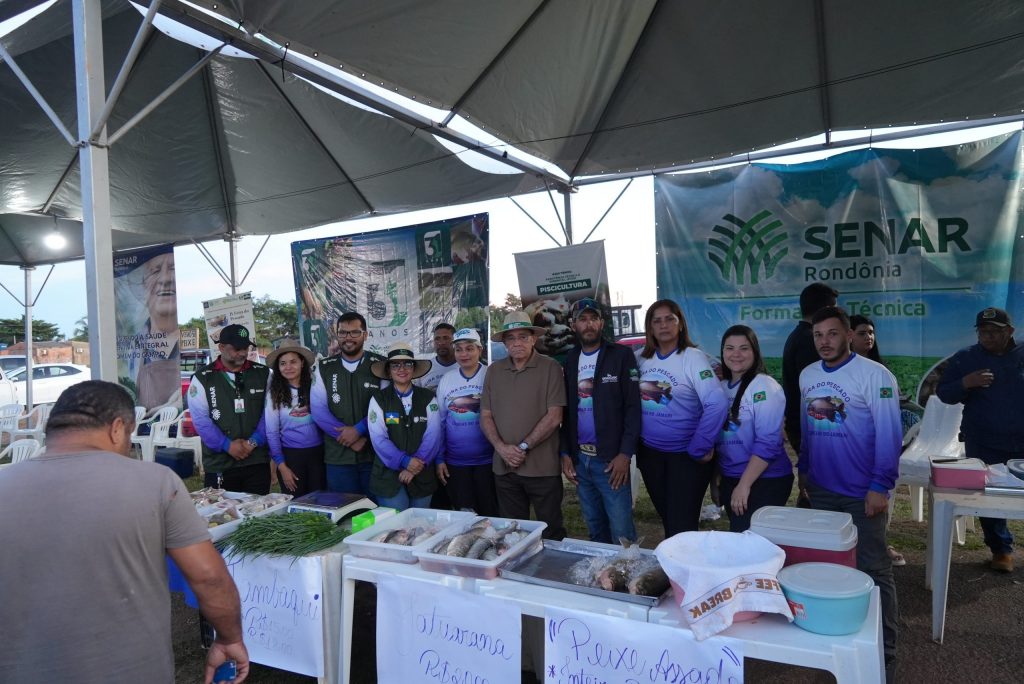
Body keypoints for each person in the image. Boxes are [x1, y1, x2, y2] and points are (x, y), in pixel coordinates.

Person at [0, 381, 249, 684]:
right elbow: (209, 577)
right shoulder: (156, 482)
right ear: (117, 428)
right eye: (129, 437)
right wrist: (229, 638)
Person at [799, 306, 901, 681]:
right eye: (818, 335)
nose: (825, 341)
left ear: (849, 335)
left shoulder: (875, 376)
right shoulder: (808, 375)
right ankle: (837, 645)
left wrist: (880, 486)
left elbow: (890, 437)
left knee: (874, 569)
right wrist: (805, 471)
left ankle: (885, 655)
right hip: (822, 490)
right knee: (831, 570)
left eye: (832, 334)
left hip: (862, 494)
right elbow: (808, 427)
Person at [937, 307, 1024, 573]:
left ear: (1010, 331)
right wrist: (966, 382)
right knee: (988, 498)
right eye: (983, 332)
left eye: (995, 332)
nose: (988, 337)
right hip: (983, 440)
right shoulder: (966, 358)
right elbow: (944, 393)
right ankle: (1001, 550)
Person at [635, 300, 729, 537]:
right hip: (651, 456)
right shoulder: (640, 359)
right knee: (669, 518)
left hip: (686, 457)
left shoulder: (693, 357)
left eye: (670, 319)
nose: (663, 325)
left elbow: (716, 402)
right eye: (657, 320)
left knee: (682, 525)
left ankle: (685, 571)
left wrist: (701, 444)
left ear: (680, 324)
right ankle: (675, 570)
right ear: (650, 327)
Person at [559, 297, 641, 543]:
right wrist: (565, 454)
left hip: (610, 460)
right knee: (595, 527)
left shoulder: (621, 355)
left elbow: (633, 408)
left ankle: (629, 579)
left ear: (602, 323)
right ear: (574, 326)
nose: (588, 324)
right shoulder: (571, 360)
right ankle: (605, 578)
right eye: (582, 320)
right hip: (581, 460)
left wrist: (625, 455)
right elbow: (567, 412)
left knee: (621, 530)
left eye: (593, 318)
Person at [481, 311, 567, 539]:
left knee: (550, 531)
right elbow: (486, 416)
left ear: (533, 338)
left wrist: (522, 447)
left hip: (542, 468)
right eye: (511, 337)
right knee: (511, 532)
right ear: (505, 342)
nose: (517, 342)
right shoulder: (494, 371)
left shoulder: (550, 368)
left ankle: (549, 573)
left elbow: (555, 416)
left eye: (523, 336)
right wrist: (501, 448)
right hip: (504, 467)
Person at [715, 325, 793, 532]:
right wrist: (719, 482)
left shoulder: (764, 386)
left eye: (744, 348)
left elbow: (768, 442)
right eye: (729, 348)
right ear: (722, 352)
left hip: (765, 480)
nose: (736, 354)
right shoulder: (721, 388)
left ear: (755, 352)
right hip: (731, 478)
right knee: (740, 541)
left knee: (749, 544)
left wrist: (744, 485)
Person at [849, 314, 913, 566]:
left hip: (876, 451)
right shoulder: (830, 372)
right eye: (862, 332)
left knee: (876, 503)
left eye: (871, 332)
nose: (869, 337)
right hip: (848, 453)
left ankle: (879, 545)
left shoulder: (880, 373)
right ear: (849, 335)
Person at [189, 323, 272, 495]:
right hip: (220, 463)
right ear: (221, 347)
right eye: (236, 348)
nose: (242, 353)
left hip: (256, 461)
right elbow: (201, 421)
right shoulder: (202, 378)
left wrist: (253, 442)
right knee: (223, 517)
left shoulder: (263, 374)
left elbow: (270, 413)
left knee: (258, 516)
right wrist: (226, 445)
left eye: (246, 347)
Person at [310, 312, 386, 497]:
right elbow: (318, 410)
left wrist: (359, 430)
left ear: (365, 335)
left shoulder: (381, 365)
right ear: (337, 334)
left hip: (374, 454)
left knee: (376, 514)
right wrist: (348, 437)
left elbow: (387, 406)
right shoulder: (324, 367)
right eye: (343, 333)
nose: (348, 338)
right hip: (338, 456)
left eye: (354, 333)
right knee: (344, 514)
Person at [366, 342, 442, 510]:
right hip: (388, 477)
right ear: (388, 370)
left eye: (407, 363)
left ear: (414, 368)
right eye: (395, 365)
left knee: (420, 528)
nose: (402, 369)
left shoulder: (428, 397)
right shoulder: (379, 399)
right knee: (397, 528)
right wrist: (404, 461)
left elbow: (434, 435)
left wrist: (414, 466)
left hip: (422, 472)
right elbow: (378, 438)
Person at [435, 327, 499, 515]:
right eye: (459, 349)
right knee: (464, 514)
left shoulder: (491, 375)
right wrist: (439, 458)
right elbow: (440, 421)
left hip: (488, 461)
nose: (464, 354)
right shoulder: (447, 379)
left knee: (490, 513)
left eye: (469, 348)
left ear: (480, 350)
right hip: (456, 463)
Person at [782, 282, 838, 453]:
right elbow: (818, 390)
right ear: (826, 310)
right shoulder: (809, 341)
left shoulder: (799, 335)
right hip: (811, 427)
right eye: (834, 309)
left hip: (803, 424)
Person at [265, 339, 324, 496]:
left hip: (319, 455)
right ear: (278, 367)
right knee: (297, 507)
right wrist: (281, 466)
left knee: (320, 503)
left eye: (293, 362)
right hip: (291, 457)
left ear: (302, 363)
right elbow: (271, 431)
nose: (288, 367)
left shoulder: (315, 386)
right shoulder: (274, 393)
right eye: (283, 363)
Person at [415, 322, 458, 390]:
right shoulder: (425, 368)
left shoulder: (466, 366)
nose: (441, 342)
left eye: (446, 338)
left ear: (455, 341)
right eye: (437, 339)